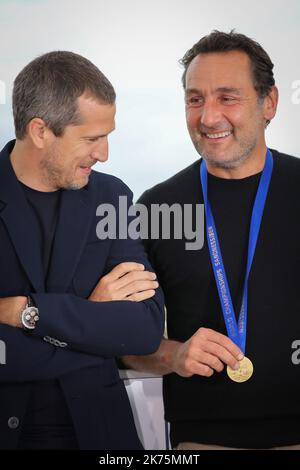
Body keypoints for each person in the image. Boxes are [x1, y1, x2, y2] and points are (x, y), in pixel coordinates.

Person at [122, 31, 300, 450]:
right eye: (195, 99)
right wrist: (173, 356)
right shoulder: (156, 207)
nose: (208, 117)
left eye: (228, 97)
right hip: (201, 441)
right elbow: (125, 343)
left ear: (269, 103)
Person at [0, 51, 164, 450]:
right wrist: (92, 316)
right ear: (40, 131)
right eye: (91, 138)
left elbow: (142, 331)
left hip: (103, 438)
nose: (104, 153)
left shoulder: (111, 196)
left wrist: (28, 312)